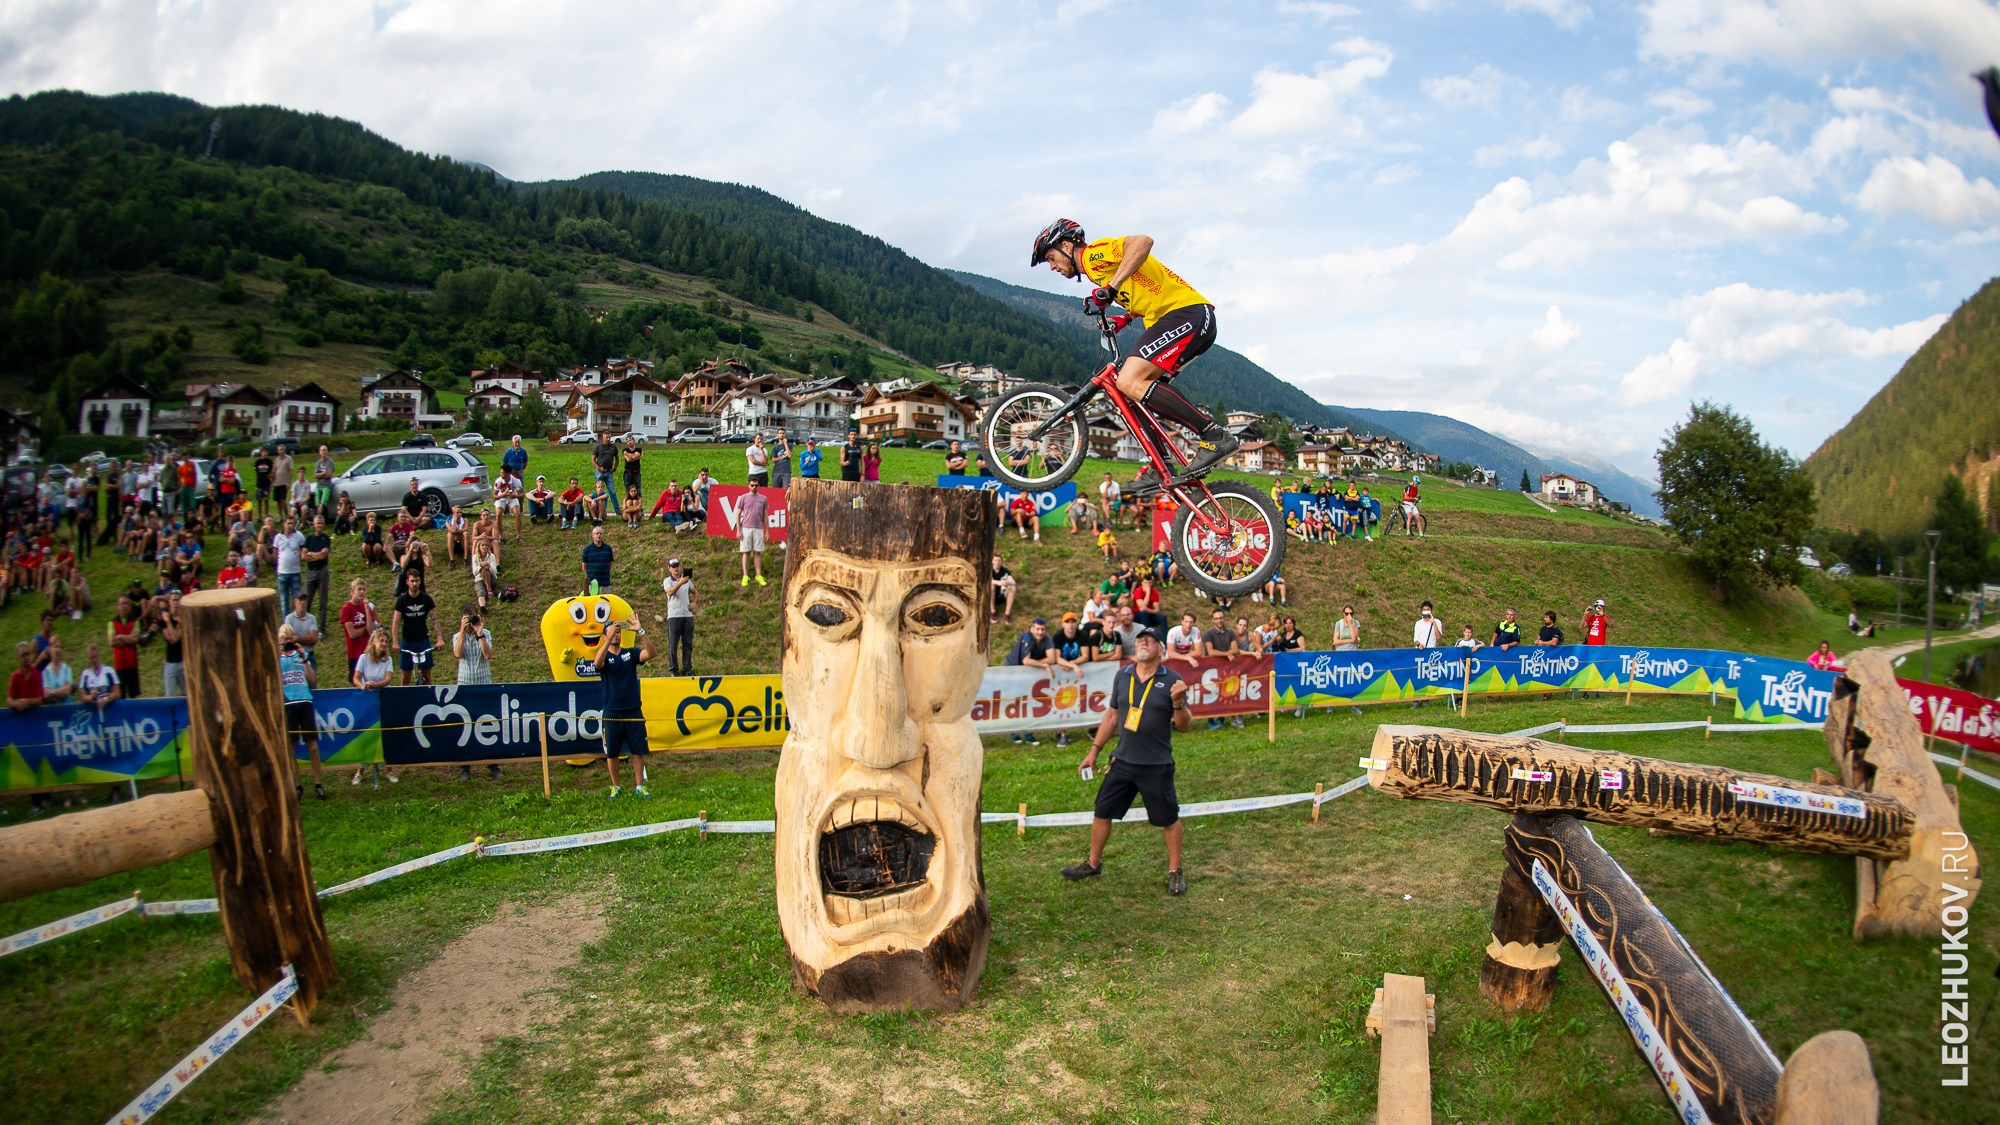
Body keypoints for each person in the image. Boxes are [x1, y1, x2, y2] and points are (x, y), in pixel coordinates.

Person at [1032, 218, 1233, 486]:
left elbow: (1143, 242)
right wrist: (1125, 318)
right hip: (1188, 319)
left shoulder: (1093, 256)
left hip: (1185, 314)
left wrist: (1111, 289)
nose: (1053, 266)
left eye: (1051, 258)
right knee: (1130, 393)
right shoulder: (1100, 272)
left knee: (1129, 380)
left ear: (1067, 245)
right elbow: (1147, 291)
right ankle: (1160, 463)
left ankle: (1214, 436)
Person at [1064, 627, 1192, 894]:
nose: (1143, 642)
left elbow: (1184, 726)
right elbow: (1112, 716)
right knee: (1102, 812)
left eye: (1150, 640)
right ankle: (1093, 864)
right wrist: (1094, 752)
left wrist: (1178, 703)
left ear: (1159, 649)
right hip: (1122, 761)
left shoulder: (1173, 680)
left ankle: (1175, 871)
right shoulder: (1123, 676)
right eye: (1140, 639)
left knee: (1168, 818)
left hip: (1156, 764)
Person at [597, 614, 656, 799]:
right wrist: (607, 640)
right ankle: (616, 786)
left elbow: (651, 653)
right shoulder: (604, 655)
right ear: (605, 635)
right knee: (612, 752)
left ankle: (639, 786)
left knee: (638, 750)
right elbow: (597, 663)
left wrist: (641, 631)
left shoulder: (630, 653)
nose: (616, 635)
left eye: (617, 632)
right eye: (612, 632)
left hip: (633, 710)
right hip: (612, 711)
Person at [452, 608, 502, 781]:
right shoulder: (457, 636)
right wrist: (462, 631)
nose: (470, 622)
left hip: (484, 685)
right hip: (465, 686)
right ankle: (465, 767)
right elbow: (457, 653)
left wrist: (479, 632)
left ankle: (493, 764)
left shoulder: (485, 633)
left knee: (488, 724)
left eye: (472, 618)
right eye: (467, 619)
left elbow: (488, 655)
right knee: (465, 727)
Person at [278, 623, 326, 801]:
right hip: (288, 703)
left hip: (305, 700)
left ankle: (318, 784)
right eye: (284, 639)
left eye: (290, 638)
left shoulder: (302, 655)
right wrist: (278, 653)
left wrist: (302, 656)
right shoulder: (277, 659)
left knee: (312, 746)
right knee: (290, 749)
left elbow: (312, 679)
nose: (288, 642)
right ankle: (297, 785)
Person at [349, 626, 400, 786]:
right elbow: (356, 678)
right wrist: (362, 686)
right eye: (381, 641)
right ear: (374, 642)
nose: (384, 644)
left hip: (384, 700)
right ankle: (360, 772)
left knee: (385, 736)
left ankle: (389, 770)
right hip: (367, 701)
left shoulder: (388, 660)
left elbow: (388, 680)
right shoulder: (364, 658)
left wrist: (373, 684)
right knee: (367, 736)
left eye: (386, 641)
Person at [391, 569, 439, 686]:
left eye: (417, 581)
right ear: (407, 582)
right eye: (412, 581)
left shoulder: (426, 598)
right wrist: (395, 642)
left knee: (427, 677)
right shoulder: (402, 600)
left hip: (423, 640)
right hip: (407, 641)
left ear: (420, 581)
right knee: (405, 678)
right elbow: (396, 622)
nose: (415, 584)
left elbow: (435, 619)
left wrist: (440, 638)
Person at [1202, 609, 1241, 729]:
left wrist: (1228, 654)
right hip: (1211, 668)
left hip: (1226, 668)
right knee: (1211, 693)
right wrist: (1227, 654)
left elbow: (1235, 649)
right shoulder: (1208, 633)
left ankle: (1221, 718)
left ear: (1224, 618)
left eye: (1221, 618)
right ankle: (1210, 720)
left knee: (1224, 692)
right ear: (1213, 619)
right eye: (1216, 618)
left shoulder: (1230, 632)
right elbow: (1211, 651)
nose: (1219, 620)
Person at [662, 558, 696, 676]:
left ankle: (687, 669)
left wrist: (694, 603)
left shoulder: (687, 580)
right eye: (673, 567)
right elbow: (670, 592)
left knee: (687, 644)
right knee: (673, 644)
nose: (676, 569)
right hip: (674, 616)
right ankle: (673, 669)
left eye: (677, 566)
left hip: (687, 615)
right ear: (669, 569)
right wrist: (680, 583)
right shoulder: (667, 580)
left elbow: (695, 592)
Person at [339, 579, 377, 680]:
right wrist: (365, 628)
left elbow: (371, 632)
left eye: (364, 589)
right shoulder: (346, 609)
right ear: (352, 591)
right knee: (356, 681)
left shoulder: (366, 607)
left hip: (368, 652)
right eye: (359, 589)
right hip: (354, 653)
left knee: (370, 681)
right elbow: (353, 634)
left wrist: (367, 610)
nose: (362, 592)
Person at [107, 595, 144, 700]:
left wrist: (120, 636)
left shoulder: (135, 621)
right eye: (122, 604)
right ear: (118, 606)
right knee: (120, 696)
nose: (124, 606)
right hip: (119, 667)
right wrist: (128, 639)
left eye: (126, 603)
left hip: (132, 665)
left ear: (130, 605)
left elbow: (135, 639)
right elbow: (111, 642)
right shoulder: (112, 622)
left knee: (134, 696)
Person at [301, 514, 332, 625]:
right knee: (307, 601)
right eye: (318, 523)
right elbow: (303, 557)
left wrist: (310, 553)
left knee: (322, 602)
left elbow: (323, 556)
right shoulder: (309, 539)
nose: (319, 525)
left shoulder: (326, 539)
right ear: (314, 524)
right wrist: (316, 554)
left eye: (321, 523)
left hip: (323, 572)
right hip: (310, 573)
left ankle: (322, 629)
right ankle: (306, 626)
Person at [737, 481, 770, 587]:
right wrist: (738, 529)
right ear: (748, 486)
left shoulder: (763, 498)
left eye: (756, 485)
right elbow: (737, 513)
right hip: (746, 528)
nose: (754, 487)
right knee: (746, 552)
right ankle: (745, 575)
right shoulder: (743, 498)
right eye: (752, 485)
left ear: (758, 486)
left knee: (757, 552)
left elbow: (765, 515)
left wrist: (767, 531)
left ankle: (758, 574)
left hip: (758, 528)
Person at [273, 515, 306, 613]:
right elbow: (275, 552)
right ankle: (286, 625)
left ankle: (296, 621)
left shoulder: (299, 536)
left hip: (295, 572)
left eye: (292, 523)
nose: (290, 526)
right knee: (284, 601)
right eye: (288, 523)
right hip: (282, 573)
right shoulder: (278, 537)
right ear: (284, 524)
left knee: (297, 600)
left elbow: (303, 550)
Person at [470, 510, 501, 609]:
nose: (486, 517)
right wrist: (481, 537)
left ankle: (498, 564)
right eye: (484, 515)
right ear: (480, 516)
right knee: (481, 592)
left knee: (495, 542)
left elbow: (496, 536)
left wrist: (486, 537)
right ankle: (483, 606)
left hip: (490, 541)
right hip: (479, 576)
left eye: (487, 515)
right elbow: (473, 537)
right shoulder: (477, 524)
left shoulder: (493, 524)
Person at [158, 593, 186, 698]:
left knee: (187, 694)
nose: (176, 602)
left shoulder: (184, 618)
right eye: (174, 600)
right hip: (170, 662)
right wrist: (169, 622)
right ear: (169, 602)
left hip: (184, 661)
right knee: (170, 696)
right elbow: (171, 639)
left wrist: (169, 622)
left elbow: (174, 638)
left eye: (178, 600)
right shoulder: (164, 619)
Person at [284, 591, 322, 663]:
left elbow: (314, 639)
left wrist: (297, 638)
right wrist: (307, 638)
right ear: (295, 602)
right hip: (295, 657)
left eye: (304, 600)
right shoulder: (289, 618)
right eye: (300, 600)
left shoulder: (312, 618)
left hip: (309, 656)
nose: (303, 602)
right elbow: (290, 639)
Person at [8, 642, 43, 713]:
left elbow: (39, 700)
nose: (26, 657)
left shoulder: (37, 674)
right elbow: (9, 699)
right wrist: (16, 704)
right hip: (19, 715)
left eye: (28, 654)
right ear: (18, 659)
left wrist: (27, 701)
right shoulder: (15, 676)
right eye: (23, 655)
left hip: (35, 714)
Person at [39, 635, 73, 704]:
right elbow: (45, 694)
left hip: (66, 708)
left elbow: (67, 691)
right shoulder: (45, 672)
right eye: (55, 647)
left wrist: (52, 692)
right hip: (52, 711)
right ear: (50, 649)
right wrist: (60, 692)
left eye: (59, 647)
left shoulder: (67, 669)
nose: (58, 650)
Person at [582, 524, 615, 592]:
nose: (599, 535)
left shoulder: (608, 548)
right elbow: (584, 566)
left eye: (601, 533)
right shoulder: (587, 549)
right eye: (597, 533)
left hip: (605, 583)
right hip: (592, 584)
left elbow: (610, 563)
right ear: (593, 535)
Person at [494, 466, 523, 537]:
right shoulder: (498, 481)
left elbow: (522, 494)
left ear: (508, 473)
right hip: (501, 497)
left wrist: (515, 496)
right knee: (498, 514)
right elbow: (494, 496)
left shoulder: (516, 480)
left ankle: (518, 534)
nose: (501, 474)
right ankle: (501, 535)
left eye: (502, 473)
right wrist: (503, 495)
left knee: (517, 514)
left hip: (512, 497)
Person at [990, 554, 1017, 624]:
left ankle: (1007, 614)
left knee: (1012, 588)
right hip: (990, 596)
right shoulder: (988, 570)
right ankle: (993, 612)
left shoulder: (1005, 571)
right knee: (991, 586)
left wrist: (1007, 582)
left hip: (1002, 594)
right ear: (992, 561)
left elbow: (1013, 582)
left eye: (999, 560)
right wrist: (998, 582)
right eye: (995, 560)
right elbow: (987, 581)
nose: (997, 562)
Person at [1401, 475, 1425, 539]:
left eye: (1418, 483)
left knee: (1418, 518)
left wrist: (1417, 499)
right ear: (1414, 482)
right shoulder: (1408, 487)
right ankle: (1408, 532)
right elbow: (1406, 497)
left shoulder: (1416, 489)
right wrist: (1414, 499)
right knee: (1410, 516)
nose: (1417, 484)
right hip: (1406, 503)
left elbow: (1414, 497)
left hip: (1412, 504)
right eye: (1417, 483)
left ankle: (1421, 534)